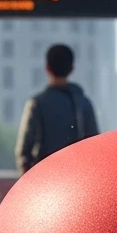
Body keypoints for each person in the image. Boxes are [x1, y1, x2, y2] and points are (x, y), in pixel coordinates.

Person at [15, 43, 100, 173]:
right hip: (77, 177)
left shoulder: (36, 103)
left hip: (45, 178)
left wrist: (31, 178)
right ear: (71, 69)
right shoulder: (84, 103)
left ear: (47, 68)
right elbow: (94, 147)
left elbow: (23, 152)